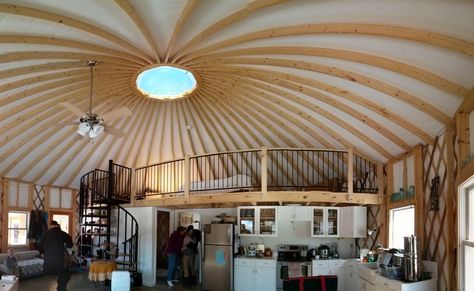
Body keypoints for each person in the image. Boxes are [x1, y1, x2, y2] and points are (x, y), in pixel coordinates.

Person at [39, 220, 73, 291]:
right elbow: (70, 244)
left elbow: (40, 244)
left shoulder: (45, 234)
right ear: (57, 225)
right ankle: (61, 287)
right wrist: (67, 246)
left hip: (48, 257)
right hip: (59, 257)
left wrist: (42, 253)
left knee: (48, 275)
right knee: (62, 273)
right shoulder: (63, 233)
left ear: (51, 225)